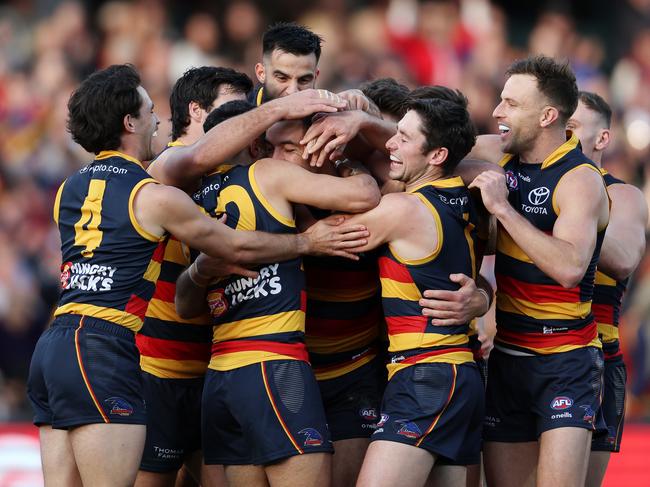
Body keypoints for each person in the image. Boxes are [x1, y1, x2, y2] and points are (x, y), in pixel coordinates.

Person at [25, 64, 369, 487]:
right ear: (129, 122)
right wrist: (306, 243)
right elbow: (236, 246)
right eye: (150, 111)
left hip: (55, 346)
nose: (159, 121)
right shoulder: (156, 193)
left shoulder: (66, 190)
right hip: (107, 348)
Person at [175, 115, 381, 487]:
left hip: (222, 375)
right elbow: (367, 193)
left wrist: (200, 272)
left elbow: (186, 307)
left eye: (288, 148)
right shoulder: (269, 174)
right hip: (274, 365)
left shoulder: (195, 199)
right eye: (273, 148)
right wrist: (346, 161)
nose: (278, 157)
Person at [324, 98, 484, 487]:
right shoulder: (458, 198)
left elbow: (327, 238)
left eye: (403, 138)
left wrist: (349, 163)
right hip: (454, 372)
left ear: (438, 155)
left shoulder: (404, 209)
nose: (390, 145)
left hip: (427, 375)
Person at [467, 56, 610, 487]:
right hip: (509, 356)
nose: (496, 112)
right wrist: (359, 120)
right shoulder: (499, 152)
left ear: (547, 116)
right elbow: (431, 142)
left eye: (510, 104)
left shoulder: (579, 178)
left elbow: (569, 267)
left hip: (567, 361)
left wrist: (501, 210)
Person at [135, 66, 253, 487]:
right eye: (233, 110)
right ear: (197, 111)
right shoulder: (165, 170)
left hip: (216, 370)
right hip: (159, 369)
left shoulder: (234, 173)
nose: (245, 118)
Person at [566, 91, 647, 487]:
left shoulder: (624, 195)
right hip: (520, 351)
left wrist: (575, 213)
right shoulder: (527, 185)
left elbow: (625, 258)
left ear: (601, 140)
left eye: (574, 128)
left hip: (596, 357)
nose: (563, 136)